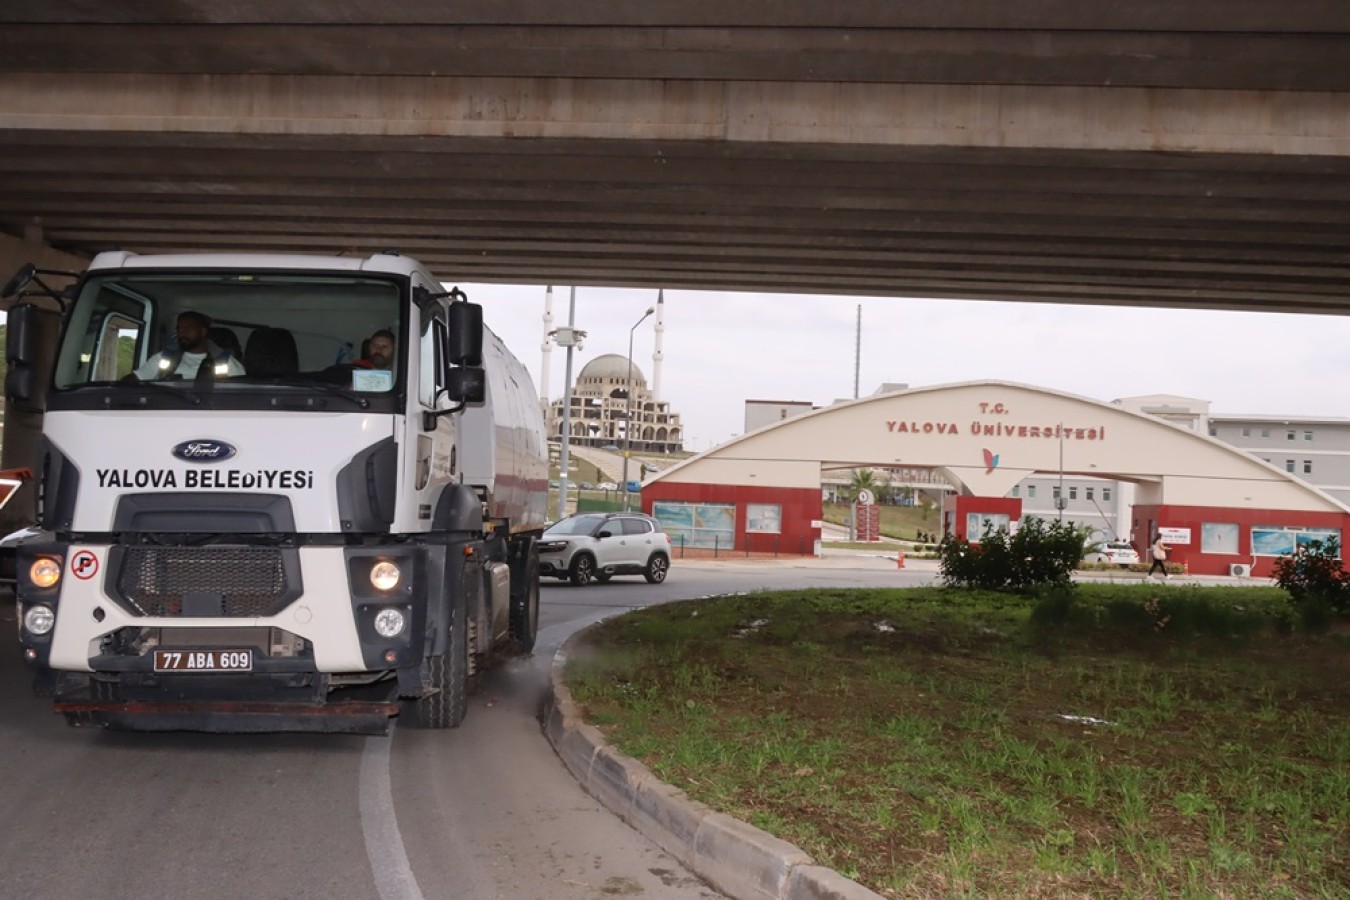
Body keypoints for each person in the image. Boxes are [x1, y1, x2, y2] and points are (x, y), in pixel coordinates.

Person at [128, 311, 245, 381]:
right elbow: (135, 379)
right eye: (179, 329)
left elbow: (240, 398)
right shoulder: (164, 357)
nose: (181, 333)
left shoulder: (227, 363)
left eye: (188, 328)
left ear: (203, 332)